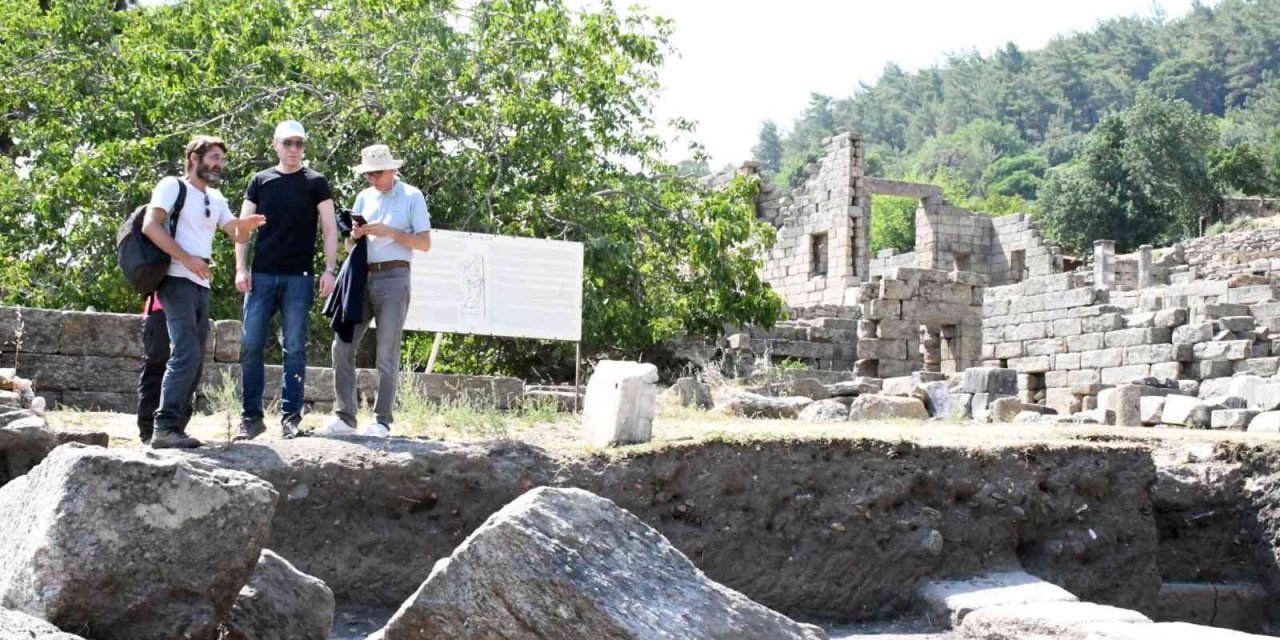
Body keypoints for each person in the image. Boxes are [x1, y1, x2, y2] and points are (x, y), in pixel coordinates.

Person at [142, 135, 266, 449]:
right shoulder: (172, 186)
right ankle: (164, 427)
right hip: (175, 277)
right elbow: (150, 226)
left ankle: (176, 428)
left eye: (222, 159)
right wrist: (187, 259)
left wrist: (248, 225)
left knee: (195, 357)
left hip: (200, 281)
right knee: (185, 351)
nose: (219, 164)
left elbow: (234, 231)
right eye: (213, 157)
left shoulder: (217, 197)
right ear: (194, 158)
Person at [314, 144, 430, 438]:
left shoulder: (413, 196)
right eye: (368, 174)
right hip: (361, 276)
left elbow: (425, 243)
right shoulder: (364, 198)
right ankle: (345, 416)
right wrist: (355, 235)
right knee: (341, 346)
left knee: (386, 351)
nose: (371, 179)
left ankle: (382, 420)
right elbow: (350, 247)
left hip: (395, 275)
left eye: (376, 173)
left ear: (391, 170)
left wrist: (389, 231)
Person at [234, 120, 338, 441]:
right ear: (275, 144)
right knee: (251, 345)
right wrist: (241, 268)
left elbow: (330, 228)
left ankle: (290, 417)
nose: (294, 149)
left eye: (300, 144)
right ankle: (251, 418)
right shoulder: (260, 181)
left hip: (300, 277)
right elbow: (242, 227)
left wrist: (330, 269)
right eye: (289, 143)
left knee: (294, 347)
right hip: (262, 275)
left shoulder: (316, 182)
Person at [135, 295, 202, 444]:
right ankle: (150, 430)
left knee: (189, 369)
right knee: (156, 369)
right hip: (161, 309)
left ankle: (175, 428)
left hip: (191, 312)